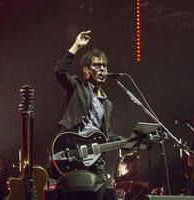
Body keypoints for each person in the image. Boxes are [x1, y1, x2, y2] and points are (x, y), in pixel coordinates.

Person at [53, 30, 121, 200]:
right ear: (86, 70)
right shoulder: (77, 87)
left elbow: (105, 135)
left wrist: (129, 140)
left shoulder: (107, 103)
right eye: (97, 65)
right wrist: (76, 45)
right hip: (72, 150)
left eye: (104, 65)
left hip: (94, 156)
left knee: (107, 193)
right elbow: (59, 72)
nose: (103, 69)